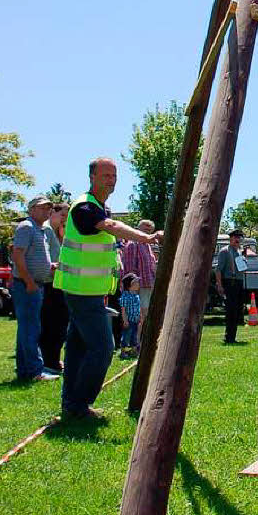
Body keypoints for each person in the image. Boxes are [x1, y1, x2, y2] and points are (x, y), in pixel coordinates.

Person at [55, 158, 162, 419]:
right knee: (103, 348)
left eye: (114, 175)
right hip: (82, 291)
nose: (111, 180)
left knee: (78, 347)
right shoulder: (84, 207)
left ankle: (72, 403)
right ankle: (79, 404)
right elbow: (110, 227)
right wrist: (147, 237)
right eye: (105, 175)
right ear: (92, 177)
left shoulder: (100, 207)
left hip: (87, 290)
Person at [11, 196, 56, 382]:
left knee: (27, 328)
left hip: (36, 283)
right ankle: (34, 371)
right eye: (42, 208)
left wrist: (49, 267)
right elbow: (18, 256)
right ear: (31, 210)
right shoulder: (26, 227)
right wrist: (29, 281)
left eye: (48, 208)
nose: (47, 211)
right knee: (31, 328)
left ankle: (25, 370)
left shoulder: (42, 230)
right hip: (27, 285)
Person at [39, 201, 70, 375]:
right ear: (53, 213)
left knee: (60, 324)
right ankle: (49, 361)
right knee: (52, 324)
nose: (65, 219)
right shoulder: (47, 231)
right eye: (63, 215)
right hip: (49, 284)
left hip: (59, 283)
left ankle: (54, 359)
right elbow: (48, 258)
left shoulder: (59, 232)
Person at [121, 220, 158, 322]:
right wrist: (133, 289)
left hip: (147, 285)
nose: (148, 233)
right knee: (139, 317)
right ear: (138, 229)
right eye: (145, 229)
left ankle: (142, 337)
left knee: (145, 316)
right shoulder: (133, 244)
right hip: (138, 288)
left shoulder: (147, 245)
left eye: (150, 231)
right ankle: (137, 338)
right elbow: (129, 270)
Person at [215, 230, 247, 344]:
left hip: (238, 282)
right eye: (235, 237)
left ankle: (233, 336)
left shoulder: (239, 252)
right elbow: (218, 270)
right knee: (231, 310)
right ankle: (229, 337)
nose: (238, 239)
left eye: (239, 237)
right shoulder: (225, 251)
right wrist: (219, 285)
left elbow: (242, 268)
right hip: (230, 282)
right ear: (231, 238)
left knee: (238, 311)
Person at [119, 273, 141, 358]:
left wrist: (139, 316)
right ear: (130, 285)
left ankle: (134, 350)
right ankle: (123, 351)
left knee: (134, 335)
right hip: (128, 321)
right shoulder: (125, 296)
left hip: (135, 320)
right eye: (136, 283)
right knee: (126, 336)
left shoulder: (136, 295)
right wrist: (125, 320)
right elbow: (123, 310)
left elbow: (138, 308)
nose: (138, 284)